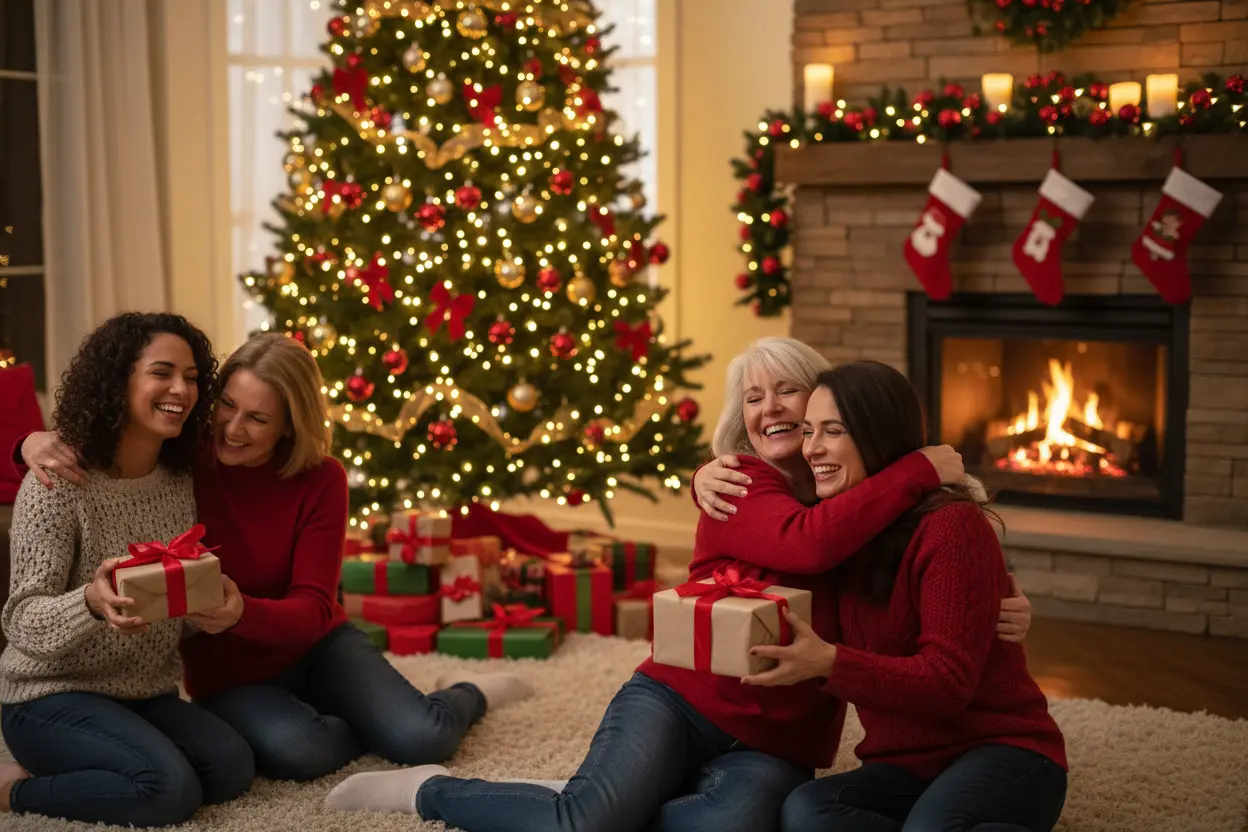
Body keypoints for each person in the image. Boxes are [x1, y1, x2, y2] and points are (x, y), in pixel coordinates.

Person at [323, 336, 1028, 832]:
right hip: (680, 700)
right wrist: (919, 465)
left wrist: (1008, 593)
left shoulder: (854, 499)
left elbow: (936, 562)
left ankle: (607, 798)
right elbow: (806, 545)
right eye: (754, 397)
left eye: (791, 393)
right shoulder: (738, 481)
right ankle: (436, 792)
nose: (775, 410)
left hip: (778, 741)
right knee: (583, 823)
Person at [15, 332, 532, 783]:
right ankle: (361, 717)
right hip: (229, 672)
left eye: (258, 418)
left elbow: (313, 606)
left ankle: (464, 692)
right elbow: (110, 439)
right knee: (300, 752)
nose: (232, 429)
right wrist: (28, 442)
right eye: (226, 405)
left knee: (423, 738)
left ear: (289, 425)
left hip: (317, 645)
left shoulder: (321, 478)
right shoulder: (186, 459)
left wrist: (242, 612)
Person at [742, 361, 1068, 832]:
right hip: (904, 766)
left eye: (832, 431)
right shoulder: (829, 532)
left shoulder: (952, 526)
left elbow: (947, 682)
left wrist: (830, 662)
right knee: (807, 811)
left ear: (880, 438)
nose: (811, 448)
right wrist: (704, 475)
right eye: (809, 430)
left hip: (1003, 751)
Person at [0, 312, 255, 827]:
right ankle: (12, 792)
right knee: (168, 791)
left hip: (143, 693)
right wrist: (89, 603)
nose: (180, 390)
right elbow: (21, 622)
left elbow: (163, 606)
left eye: (190, 377)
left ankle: (112, 759)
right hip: (48, 695)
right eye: (162, 373)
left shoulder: (179, 479)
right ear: (118, 381)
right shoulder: (56, 484)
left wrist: (212, 605)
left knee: (231, 768)